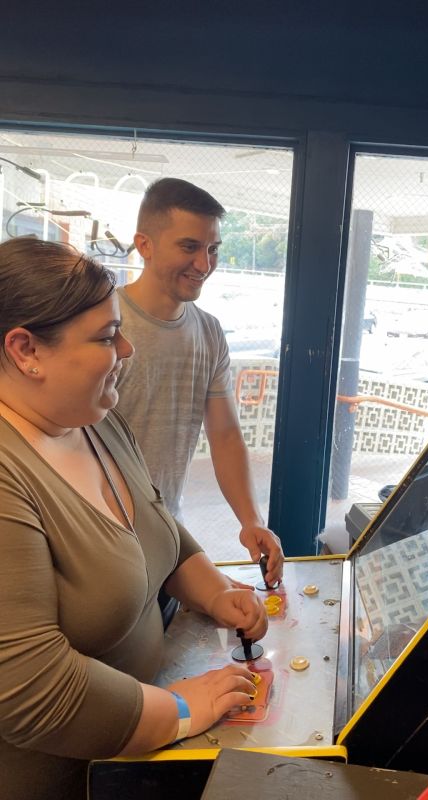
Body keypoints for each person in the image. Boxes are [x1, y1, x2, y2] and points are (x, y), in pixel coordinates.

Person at [0, 237, 268, 800]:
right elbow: (27, 686)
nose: (126, 349)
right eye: (104, 337)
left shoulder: (95, 419)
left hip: (133, 748)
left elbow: (153, 525)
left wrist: (215, 592)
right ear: (26, 349)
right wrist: (177, 711)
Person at [116, 178, 284, 587]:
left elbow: (225, 434)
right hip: (102, 538)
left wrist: (250, 520)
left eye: (212, 250)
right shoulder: (106, 323)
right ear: (145, 244)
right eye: (189, 247)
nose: (204, 264)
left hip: (167, 534)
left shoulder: (209, 332)